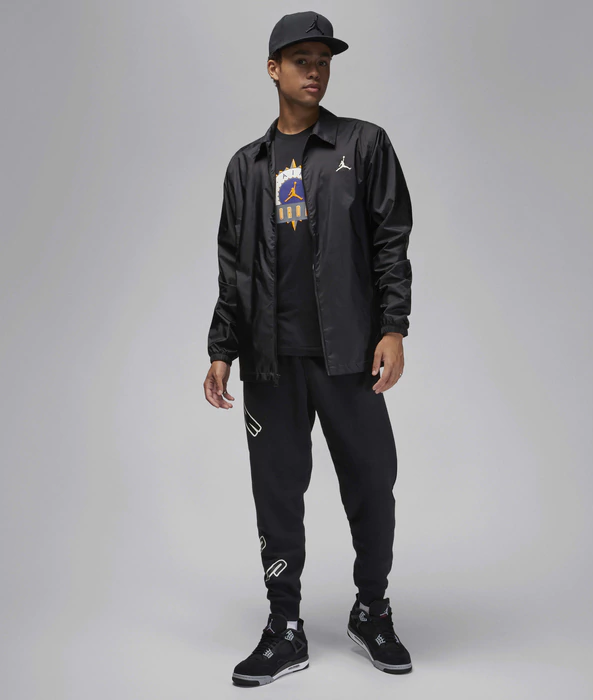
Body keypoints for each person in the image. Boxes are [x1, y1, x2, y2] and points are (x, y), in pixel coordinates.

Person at [203, 10, 414, 687]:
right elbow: (233, 268)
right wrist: (221, 348)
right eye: (301, 59)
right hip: (270, 361)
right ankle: (284, 627)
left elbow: (390, 240)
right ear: (274, 69)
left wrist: (393, 327)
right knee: (276, 494)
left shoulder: (363, 144)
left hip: (348, 355)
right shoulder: (247, 166)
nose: (315, 70)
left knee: (373, 483)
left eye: (323, 59)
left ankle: (372, 610)